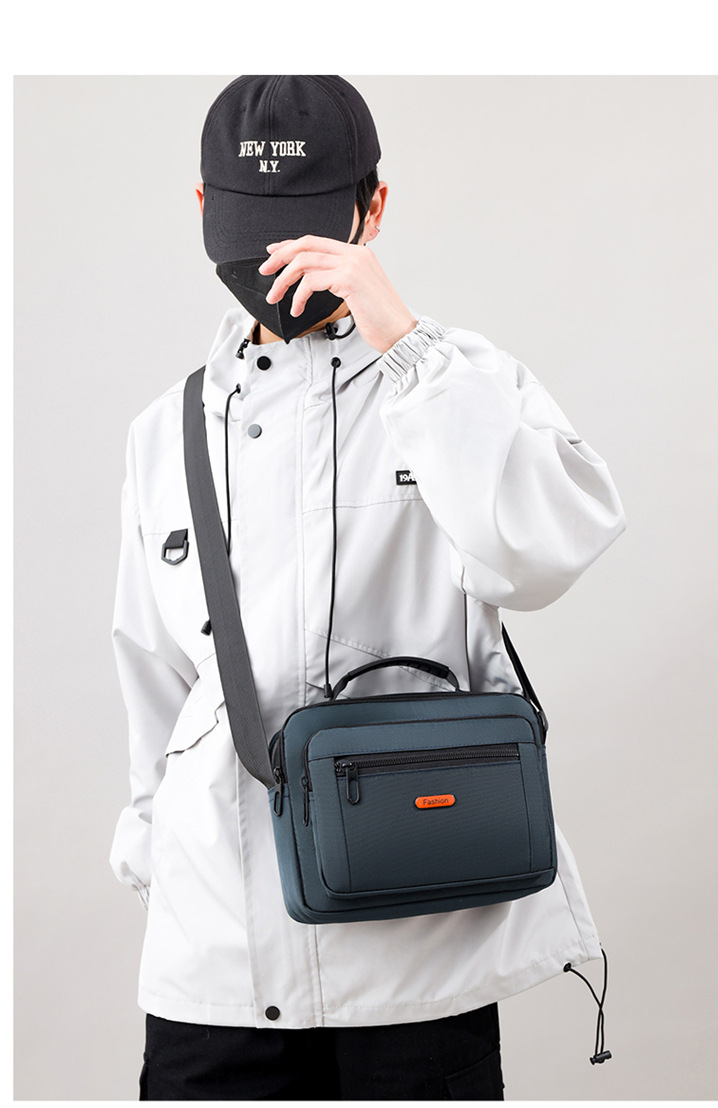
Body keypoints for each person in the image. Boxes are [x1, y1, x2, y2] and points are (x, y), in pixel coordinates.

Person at [109, 74, 626, 1100]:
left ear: (372, 206)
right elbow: (152, 670)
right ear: (205, 205)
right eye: (250, 228)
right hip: (216, 962)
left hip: (418, 962)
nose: (276, 263)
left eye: (307, 226)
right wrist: (159, 855)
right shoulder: (167, 428)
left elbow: (547, 549)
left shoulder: (456, 379)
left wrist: (406, 343)